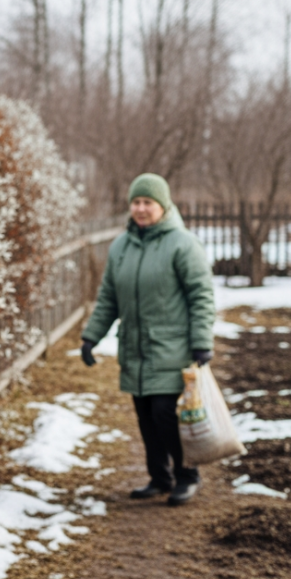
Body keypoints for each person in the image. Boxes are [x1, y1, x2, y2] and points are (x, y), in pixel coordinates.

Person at [79, 173, 215, 506]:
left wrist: (201, 341)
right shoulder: (121, 246)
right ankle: (159, 477)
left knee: (165, 414)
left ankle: (187, 475)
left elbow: (201, 295)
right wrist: (91, 337)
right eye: (136, 202)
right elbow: (108, 295)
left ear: (163, 205)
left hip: (172, 348)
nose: (141, 209)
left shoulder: (183, 244)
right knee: (144, 416)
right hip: (135, 348)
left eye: (148, 203)